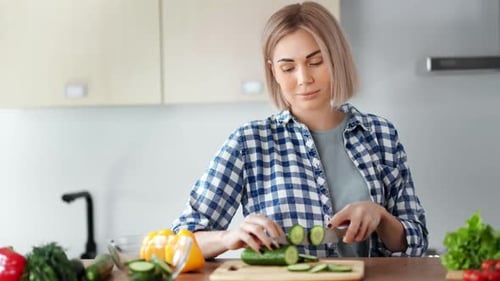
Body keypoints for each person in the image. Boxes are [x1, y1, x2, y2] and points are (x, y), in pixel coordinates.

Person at [171, 1, 428, 258]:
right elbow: (179, 242)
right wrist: (228, 238)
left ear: (336, 59)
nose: (304, 79)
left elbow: (415, 240)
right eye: (288, 68)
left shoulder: (380, 134)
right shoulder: (249, 143)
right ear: (274, 72)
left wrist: (381, 218)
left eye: (315, 62)